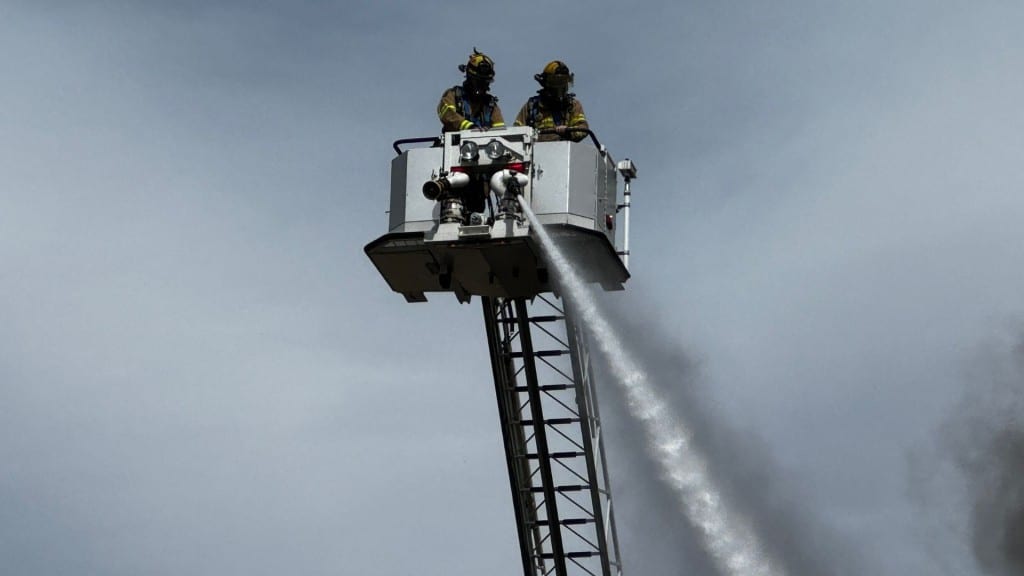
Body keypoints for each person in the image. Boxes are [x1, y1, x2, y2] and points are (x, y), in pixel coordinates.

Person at [514, 60, 589, 142]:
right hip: (535, 152)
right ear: (545, 83)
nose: (560, 87)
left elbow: (583, 129)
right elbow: (516, 131)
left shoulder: (572, 105)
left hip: (562, 151)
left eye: (563, 82)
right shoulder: (532, 106)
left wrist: (568, 131)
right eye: (556, 82)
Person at [437, 49, 506, 132]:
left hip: (484, 145)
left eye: (485, 82)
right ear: (470, 78)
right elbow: (447, 115)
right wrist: (470, 128)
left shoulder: (490, 105)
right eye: (478, 82)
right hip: (455, 144)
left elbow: (500, 130)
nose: (482, 86)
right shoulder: (453, 95)